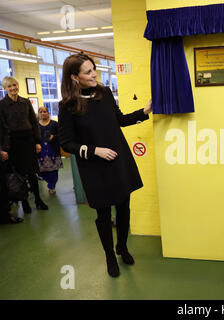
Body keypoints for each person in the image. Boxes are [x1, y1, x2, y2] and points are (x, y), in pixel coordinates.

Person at [58, 53, 152, 278]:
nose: (94, 75)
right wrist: (94, 150)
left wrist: (144, 112)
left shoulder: (105, 93)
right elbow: (66, 143)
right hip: (95, 168)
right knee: (103, 215)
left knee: (124, 207)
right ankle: (110, 255)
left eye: (94, 69)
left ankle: (122, 246)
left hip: (119, 161)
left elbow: (119, 120)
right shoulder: (67, 106)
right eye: (88, 72)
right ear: (74, 77)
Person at [0, 76, 48, 213]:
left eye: (14, 85)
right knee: (19, 175)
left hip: (28, 141)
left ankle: (38, 199)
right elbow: (2, 128)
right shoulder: (2, 105)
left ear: (18, 85)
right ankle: (24, 202)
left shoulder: (26, 102)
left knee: (33, 172)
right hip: (13, 143)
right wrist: (4, 148)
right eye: (9, 86)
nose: (13, 88)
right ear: (4, 89)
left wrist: (37, 141)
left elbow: (34, 123)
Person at [0, 113, 23, 224]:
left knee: (3, 187)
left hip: (2, 155)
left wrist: (4, 149)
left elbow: (5, 131)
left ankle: (5, 216)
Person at [37, 106, 63, 195]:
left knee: (54, 172)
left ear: (48, 113)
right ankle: (50, 183)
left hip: (53, 151)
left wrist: (54, 137)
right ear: (38, 114)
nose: (43, 113)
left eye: (45, 111)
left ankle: (52, 186)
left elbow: (62, 135)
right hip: (41, 152)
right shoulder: (35, 126)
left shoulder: (55, 124)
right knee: (41, 172)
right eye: (41, 111)